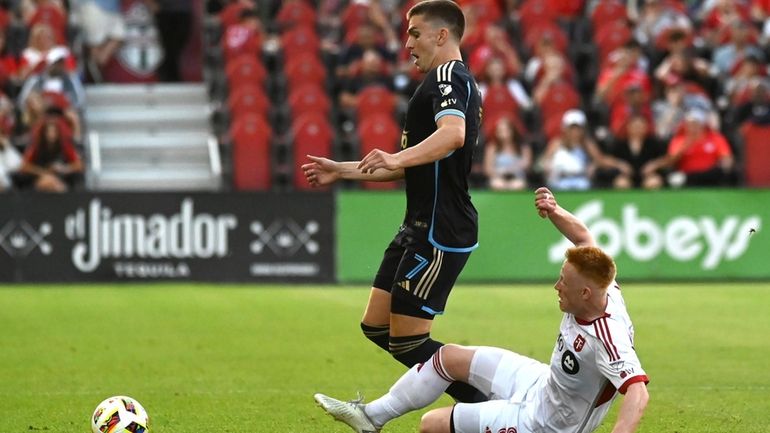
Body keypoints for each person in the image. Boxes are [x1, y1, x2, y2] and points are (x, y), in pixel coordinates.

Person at [314, 187, 650, 433]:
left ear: (587, 293)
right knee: (448, 358)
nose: (556, 287)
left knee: (432, 426)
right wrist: (554, 209)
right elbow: (583, 238)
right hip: (541, 384)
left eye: (563, 282)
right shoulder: (603, 288)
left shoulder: (608, 337)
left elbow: (637, 391)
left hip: (547, 424)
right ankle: (370, 417)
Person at [301, 0, 484, 403]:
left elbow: (452, 135)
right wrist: (342, 169)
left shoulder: (450, 77)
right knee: (376, 326)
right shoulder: (436, 82)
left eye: (414, 33)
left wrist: (398, 156)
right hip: (416, 224)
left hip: (441, 226)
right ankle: (488, 398)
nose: (407, 43)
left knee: (407, 341)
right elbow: (411, 166)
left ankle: (494, 399)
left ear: (441, 35)